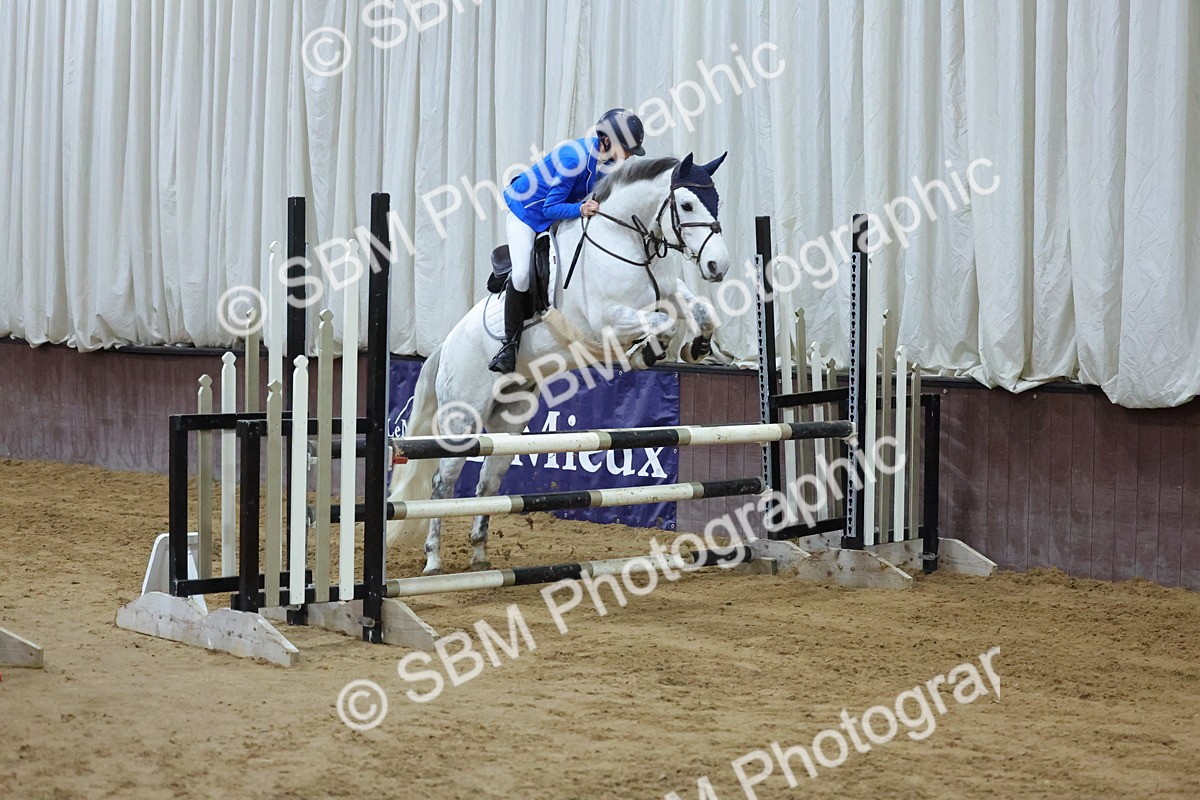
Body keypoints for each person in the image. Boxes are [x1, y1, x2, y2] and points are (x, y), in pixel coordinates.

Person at [488, 108, 647, 373]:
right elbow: (550, 207)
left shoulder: (607, 162)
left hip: (555, 212)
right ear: (607, 140)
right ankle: (509, 346)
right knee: (522, 275)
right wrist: (580, 209)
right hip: (526, 214)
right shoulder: (574, 158)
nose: (629, 155)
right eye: (627, 149)